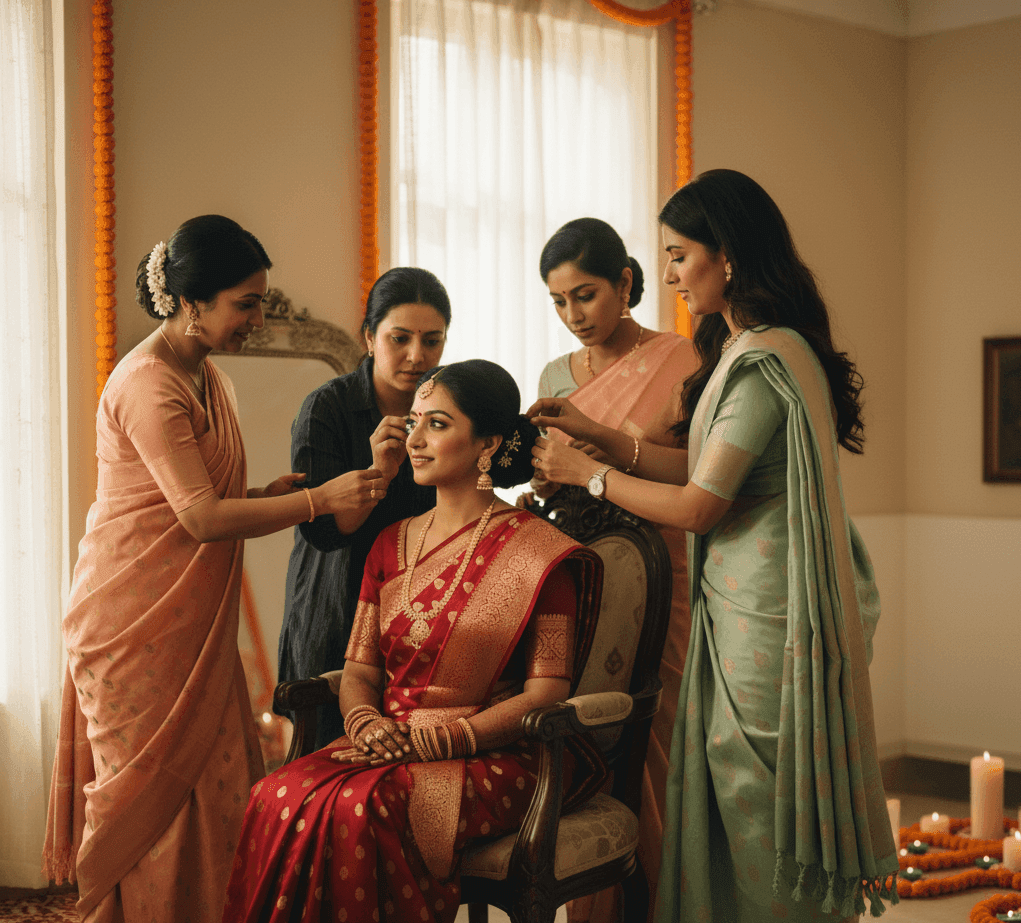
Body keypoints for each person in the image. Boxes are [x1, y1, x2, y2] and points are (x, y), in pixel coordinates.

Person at [530, 171, 899, 922]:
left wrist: (589, 475)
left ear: (725, 255)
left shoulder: (765, 357)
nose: (667, 275)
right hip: (732, 607)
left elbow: (700, 505)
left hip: (763, 618)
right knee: (733, 801)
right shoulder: (739, 348)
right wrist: (597, 436)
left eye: (678, 255)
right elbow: (699, 464)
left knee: (756, 795)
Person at [42, 215, 387, 923]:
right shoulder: (150, 384)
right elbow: (198, 519)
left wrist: (265, 498)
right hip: (131, 620)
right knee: (154, 805)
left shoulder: (208, 377)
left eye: (261, 301)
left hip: (189, 623)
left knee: (222, 782)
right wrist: (318, 500)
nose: (257, 318)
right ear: (190, 303)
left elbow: (199, 503)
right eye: (245, 303)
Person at [221, 360, 605, 923]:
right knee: (272, 794)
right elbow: (360, 673)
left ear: (488, 444)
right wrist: (367, 725)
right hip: (388, 741)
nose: (416, 439)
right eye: (415, 421)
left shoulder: (540, 553)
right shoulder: (390, 542)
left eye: (438, 425)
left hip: (495, 750)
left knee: (361, 807)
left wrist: (445, 740)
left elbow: (548, 691)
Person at [533, 217, 698, 918]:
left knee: (654, 735)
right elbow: (555, 473)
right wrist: (546, 479)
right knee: (585, 735)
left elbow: (696, 469)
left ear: (627, 282)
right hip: (583, 575)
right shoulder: (552, 376)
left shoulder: (683, 359)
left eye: (587, 295)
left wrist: (596, 458)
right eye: (559, 300)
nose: (574, 316)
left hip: (663, 570)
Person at [277, 267, 451, 749]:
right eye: (401, 338)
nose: (418, 356)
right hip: (339, 607)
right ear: (370, 337)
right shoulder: (327, 409)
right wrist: (382, 471)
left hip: (420, 611)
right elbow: (328, 532)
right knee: (328, 760)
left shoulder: (446, 408)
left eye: (432, 340)